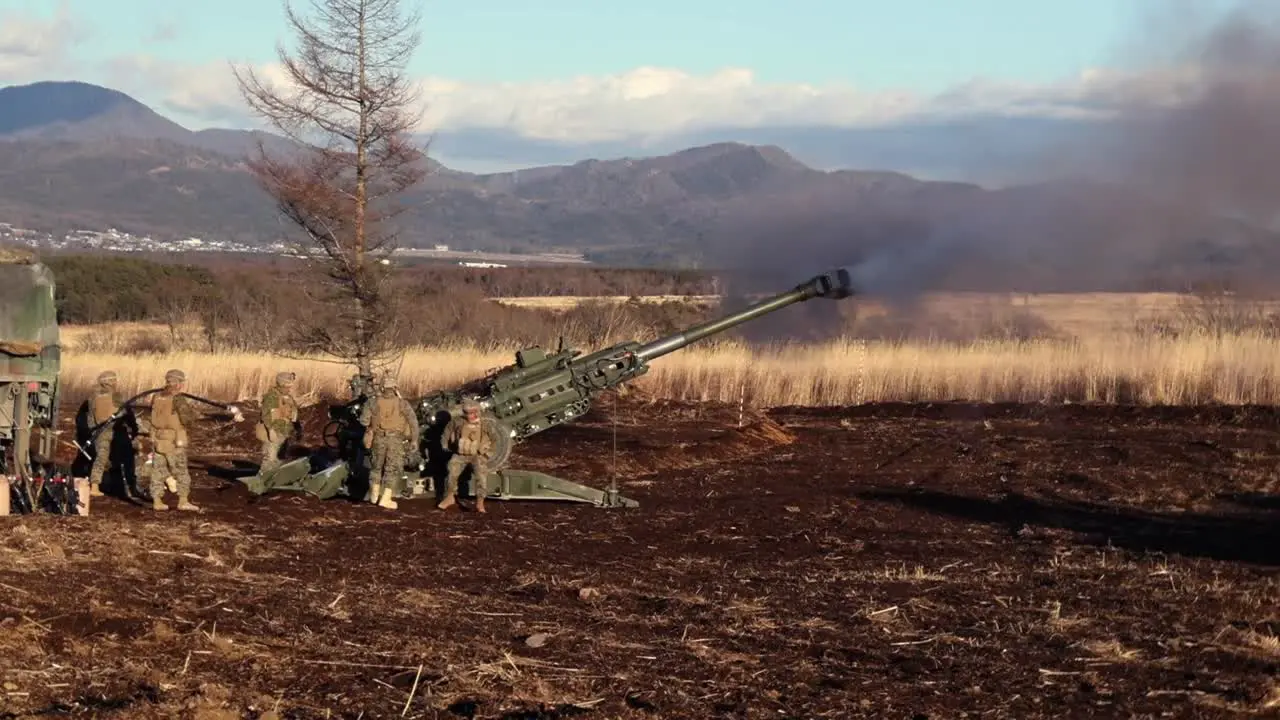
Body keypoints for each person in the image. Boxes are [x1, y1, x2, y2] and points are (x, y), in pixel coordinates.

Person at [358, 376, 418, 510]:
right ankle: (385, 499)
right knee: (391, 469)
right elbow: (414, 423)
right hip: (395, 440)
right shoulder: (403, 404)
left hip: (378, 438)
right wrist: (414, 440)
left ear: (382, 387)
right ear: (395, 388)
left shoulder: (372, 402)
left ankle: (374, 496)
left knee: (376, 466)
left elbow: (364, 421)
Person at [145, 368, 200, 512]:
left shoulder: (156, 396)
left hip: (158, 438)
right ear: (179, 383)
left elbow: (151, 416)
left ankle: (157, 501)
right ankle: (183, 501)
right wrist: (195, 413)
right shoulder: (178, 398)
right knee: (181, 471)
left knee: (158, 471)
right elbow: (187, 419)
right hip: (174, 440)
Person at [439, 401, 495, 513]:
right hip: (461, 454)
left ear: (477, 413)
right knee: (452, 472)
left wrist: (488, 454)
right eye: (467, 413)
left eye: (472, 413)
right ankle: (450, 497)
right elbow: (447, 432)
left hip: (478, 455)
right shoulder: (458, 421)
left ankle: (480, 503)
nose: (469, 415)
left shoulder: (486, 424)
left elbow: (494, 439)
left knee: (481, 478)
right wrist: (444, 444)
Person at [85, 370, 121, 497]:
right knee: (108, 458)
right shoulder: (116, 395)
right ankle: (97, 485)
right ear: (109, 382)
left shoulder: (93, 396)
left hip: (98, 431)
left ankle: (96, 485)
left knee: (101, 457)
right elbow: (121, 413)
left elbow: (90, 416)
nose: (116, 382)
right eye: (114, 380)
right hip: (112, 430)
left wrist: (93, 430)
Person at [256, 371, 300, 474]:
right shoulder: (271, 396)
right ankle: (260, 481)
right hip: (274, 432)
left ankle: (274, 481)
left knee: (280, 459)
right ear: (282, 383)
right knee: (270, 459)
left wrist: (297, 429)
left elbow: (293, 414)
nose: (291, 386)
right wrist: (271, 430)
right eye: (289, 384)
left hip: (285, 433)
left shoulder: (288, 397)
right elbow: (266, 415)